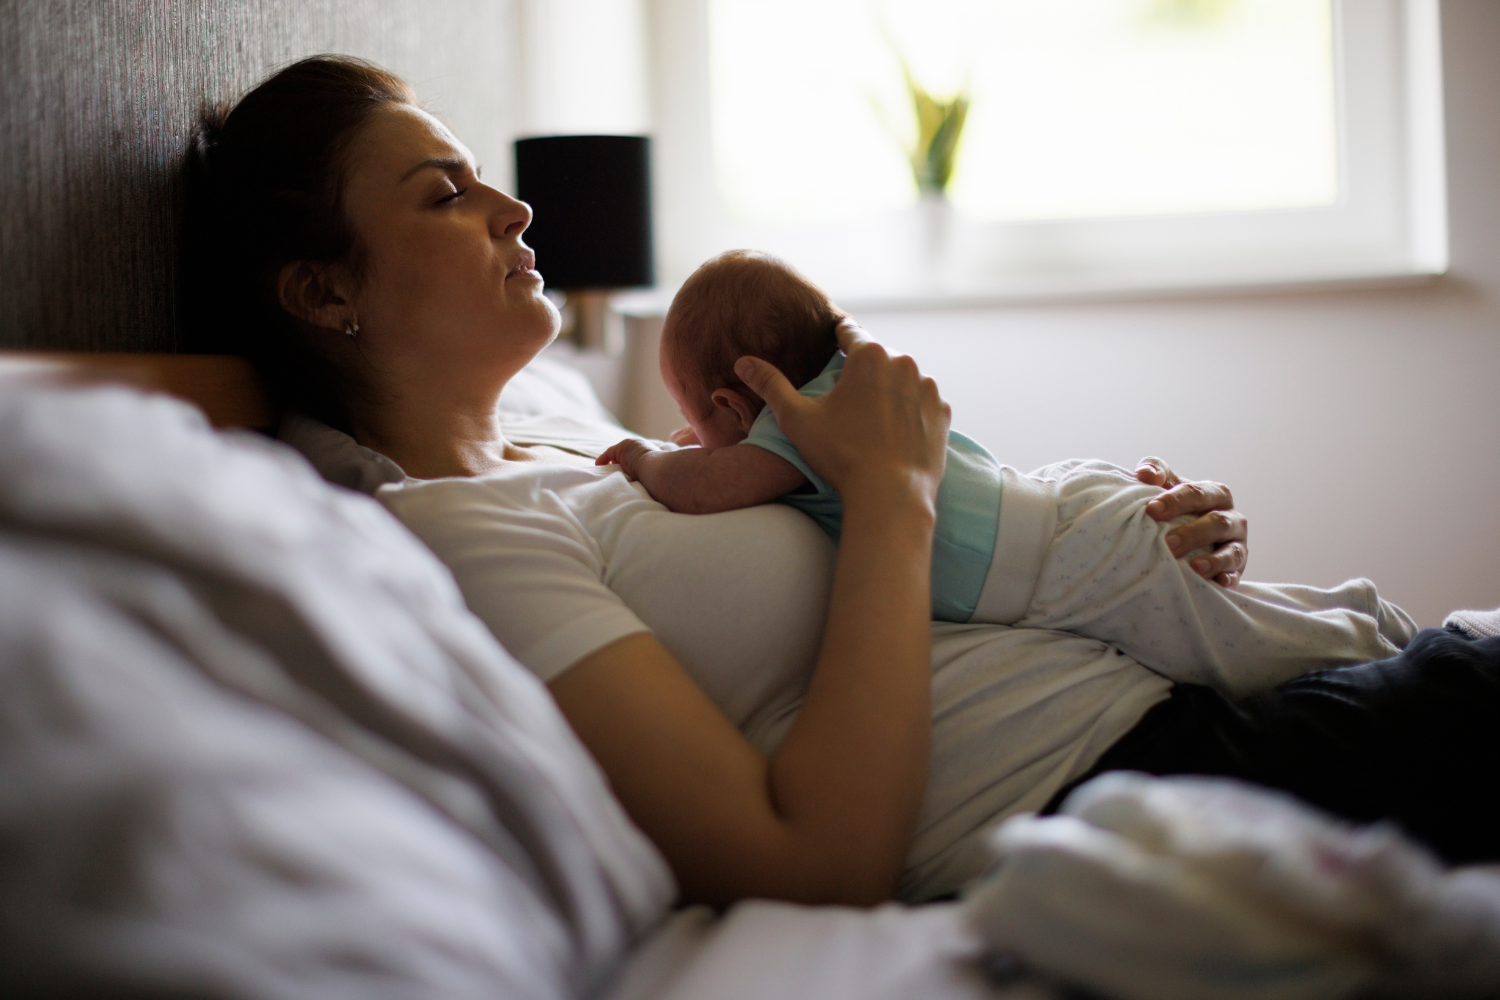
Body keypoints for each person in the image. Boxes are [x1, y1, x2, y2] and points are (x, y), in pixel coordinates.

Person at [186, 54, 1499, 907]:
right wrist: (894, 496)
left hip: (1184, 706)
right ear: (323, 291)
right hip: (1129, 787)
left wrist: (1129, 539)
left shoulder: (573, 456)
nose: (515, 212)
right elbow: (809, 860)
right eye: (443, 195)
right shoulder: (459, 536)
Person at [597, 250, 1417, 698]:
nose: (699, 442)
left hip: (1066, 556)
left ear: (729, 405)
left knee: (1238, 653)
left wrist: (645, 457)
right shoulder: (852, 383)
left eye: (696, 419)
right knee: (1231, 625)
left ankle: (1368, 633)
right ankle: (1355, 614)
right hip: (1065, 506)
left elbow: (704, 487)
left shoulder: (792, 430)